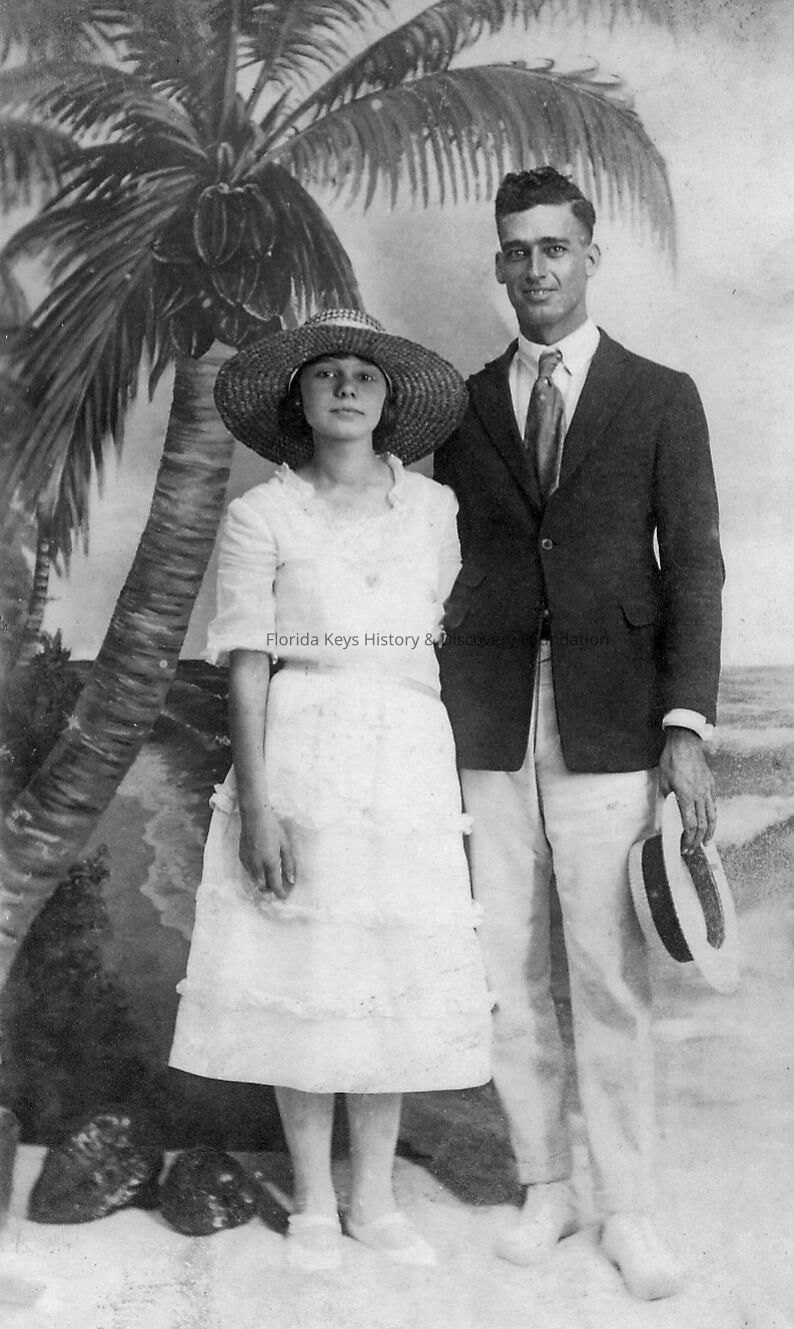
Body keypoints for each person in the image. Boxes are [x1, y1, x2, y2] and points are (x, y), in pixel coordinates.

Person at [433, 167, 724, 1299]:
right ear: (498, 263)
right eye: (516, 249)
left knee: (605, 970)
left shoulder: (659, 395)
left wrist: (683, 725)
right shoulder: (462, 406)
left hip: (611, 718)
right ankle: (543, 1184)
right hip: (489, 715)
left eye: (553, 247)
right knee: (505, 965)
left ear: (588, 257)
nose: (535, 267)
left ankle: (627, 1207)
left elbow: (692, 567)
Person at [169, 308, 492, 1271]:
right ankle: (314, 1200)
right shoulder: (261, 515)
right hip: (302, 746)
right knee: (305, 970)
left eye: (364, 374)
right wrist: (258, 804)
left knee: (382, 971)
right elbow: (247, 662)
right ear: (297, 398)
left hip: (405, 754)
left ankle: (375, 1199)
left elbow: (426, 627)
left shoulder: (432, 511)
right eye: (325, 373)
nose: (345, 387)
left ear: (388, 401)